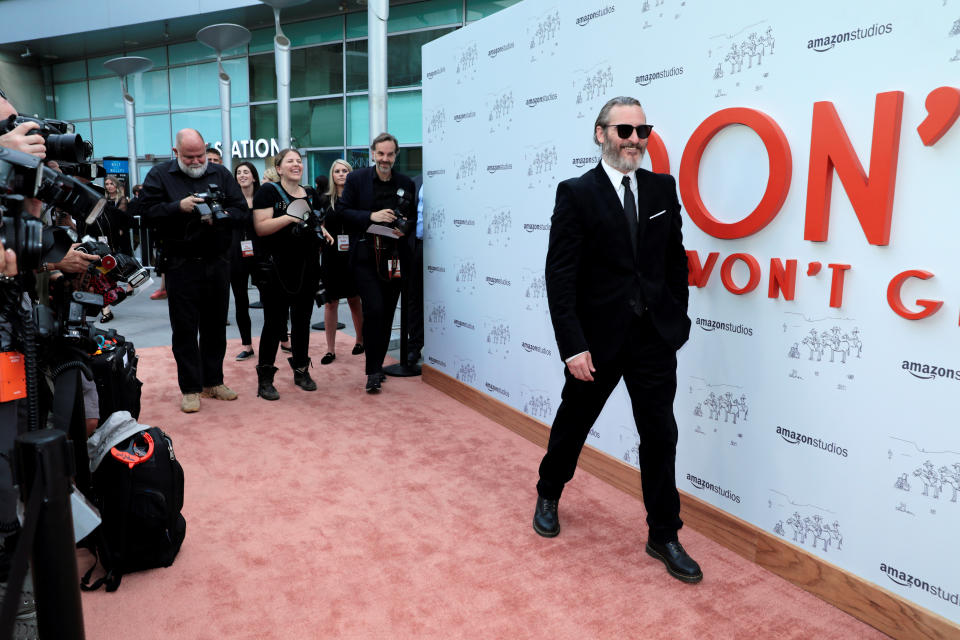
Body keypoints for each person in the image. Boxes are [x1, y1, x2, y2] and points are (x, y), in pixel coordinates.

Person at [533, 96, 701, 584]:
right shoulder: (576, 193)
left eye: (641, 130)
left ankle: (663, 534)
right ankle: (549, 490)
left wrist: (677, 320)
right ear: (600, 133)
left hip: (653, 340)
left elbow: (675, 263)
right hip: (596, 343)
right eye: (623, 130)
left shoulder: (662, 188)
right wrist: (572, 345)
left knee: (660, 436)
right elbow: (559, 277)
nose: (634, 139)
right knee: (573, 424)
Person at [139, 128, 247, 413]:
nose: (198, 161)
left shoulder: (221, 174)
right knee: (185, 330)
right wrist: (179, 207)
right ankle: (190, 388)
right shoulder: (159, 176)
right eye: (191, 156)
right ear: (176, 153)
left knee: (215, 327)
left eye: (201, 154)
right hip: (180, 264)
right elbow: (146, 213)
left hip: (217, 262)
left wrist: (220, 219)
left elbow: (241, 211)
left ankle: (213, 381)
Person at [251, 148, 331, 400]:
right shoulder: (267, 191)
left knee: (302, 322)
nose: (296, 164)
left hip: (307, 267)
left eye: (299, 161)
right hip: (277, 269)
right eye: (290, 161)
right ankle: (265, 379)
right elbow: (261, 227)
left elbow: (316, 220)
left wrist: (323, 231)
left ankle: (301, 370)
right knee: (274, 324)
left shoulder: (310, 193)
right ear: (279, 167)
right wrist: (288, 217)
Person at [340, 133, 416, 393]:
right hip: (365, 258)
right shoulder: (356, 179)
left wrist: (404, 229)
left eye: (390, 154)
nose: (385, 159)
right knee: (374, 310)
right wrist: (371, 215)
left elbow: (412, 218)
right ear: (372, 153)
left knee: (385, 316)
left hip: (394, 259)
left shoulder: (406, 183)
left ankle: (377, 364)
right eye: (381, 154)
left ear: (396, 155)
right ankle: (372, 371)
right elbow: (343, 211)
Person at [318, 159, 364, 365]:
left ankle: (360, 340)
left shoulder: (358, 198)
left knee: (355, 299)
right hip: (331, 255)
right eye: (337, 171)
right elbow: (316, 223)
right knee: (331, 302)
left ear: (351, 173)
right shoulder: (324, 199)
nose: (341, 174)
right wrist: (321, 228)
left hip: (353, 253)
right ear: (332, 175)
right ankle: (330, 349)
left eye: (345, 170)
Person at [232, 161, 259, 361]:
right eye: (239, 173)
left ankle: (284, 339)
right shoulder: (231, 201)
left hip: (260, 254)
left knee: (273, 298)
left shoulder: (263, 199)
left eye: (246, 172)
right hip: (236, 255)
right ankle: (247, 345)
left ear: (254, 176)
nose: (242, 175)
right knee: (241, 301)